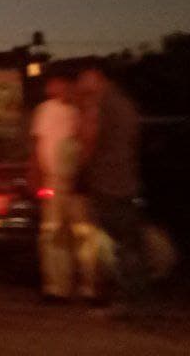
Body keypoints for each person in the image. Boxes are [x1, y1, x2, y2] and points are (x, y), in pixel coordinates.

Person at [77, 66, 145, 314]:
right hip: (125, 180)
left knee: (110, 244)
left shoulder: (102, 104)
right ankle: (131, 296)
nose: (81, 86)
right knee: (126, 242)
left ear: (96, 77)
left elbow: (89, 139)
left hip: (107, 182)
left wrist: (80, 168)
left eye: (83, 80)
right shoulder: (125, 103)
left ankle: (120, 298)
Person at [28, 75, 95, 303]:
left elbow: (89, 142)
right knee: (54, 233)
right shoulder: (45, 110)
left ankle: (89, 286)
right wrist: (37, 173)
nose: (59, 88)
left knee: (82, 234)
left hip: (77, 180)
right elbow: (38, 145)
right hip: (54, 178)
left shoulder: (80, 111)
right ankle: (57, 287)